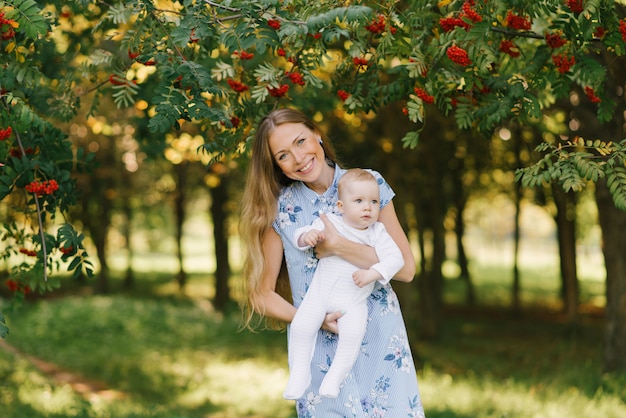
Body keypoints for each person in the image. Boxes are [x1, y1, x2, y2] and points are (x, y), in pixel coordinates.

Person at [239, 108, 425, 417]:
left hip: (378, 335)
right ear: (277, 166)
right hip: (318, 346)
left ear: (317, 135)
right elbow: (261, 294)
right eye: (283, 155)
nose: (298, 158)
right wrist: (310, 319)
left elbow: (405, 269)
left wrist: (340, 246)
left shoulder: (369, 185)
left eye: (300, 142)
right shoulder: (280, 209)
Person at [283, 168, 405, 400]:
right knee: (301, 327)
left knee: (353, 335)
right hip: (319, 296)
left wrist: (372, 274)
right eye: (359, 201)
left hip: (353, 301)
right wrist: (306, 237)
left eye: (374, 201)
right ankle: (299, 375)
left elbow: (396, 259)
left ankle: (335, 377)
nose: (367, 207)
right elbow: (302, 232)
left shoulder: (376, 232)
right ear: (341, 206)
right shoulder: (331, 223)